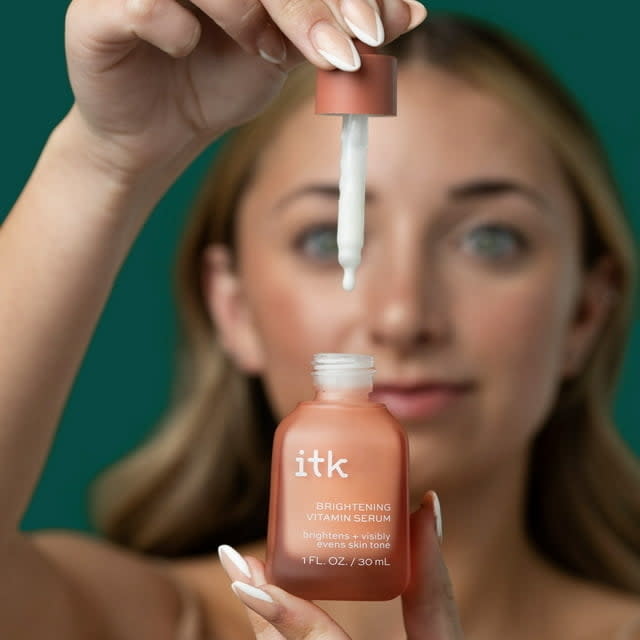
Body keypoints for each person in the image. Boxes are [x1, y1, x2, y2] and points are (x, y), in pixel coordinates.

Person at [0, 0, 638, 638]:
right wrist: (107, 158)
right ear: (233, 307)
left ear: (586, 311)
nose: (402, 316)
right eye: (318, 238)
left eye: (491, 240)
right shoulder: (139, 623)